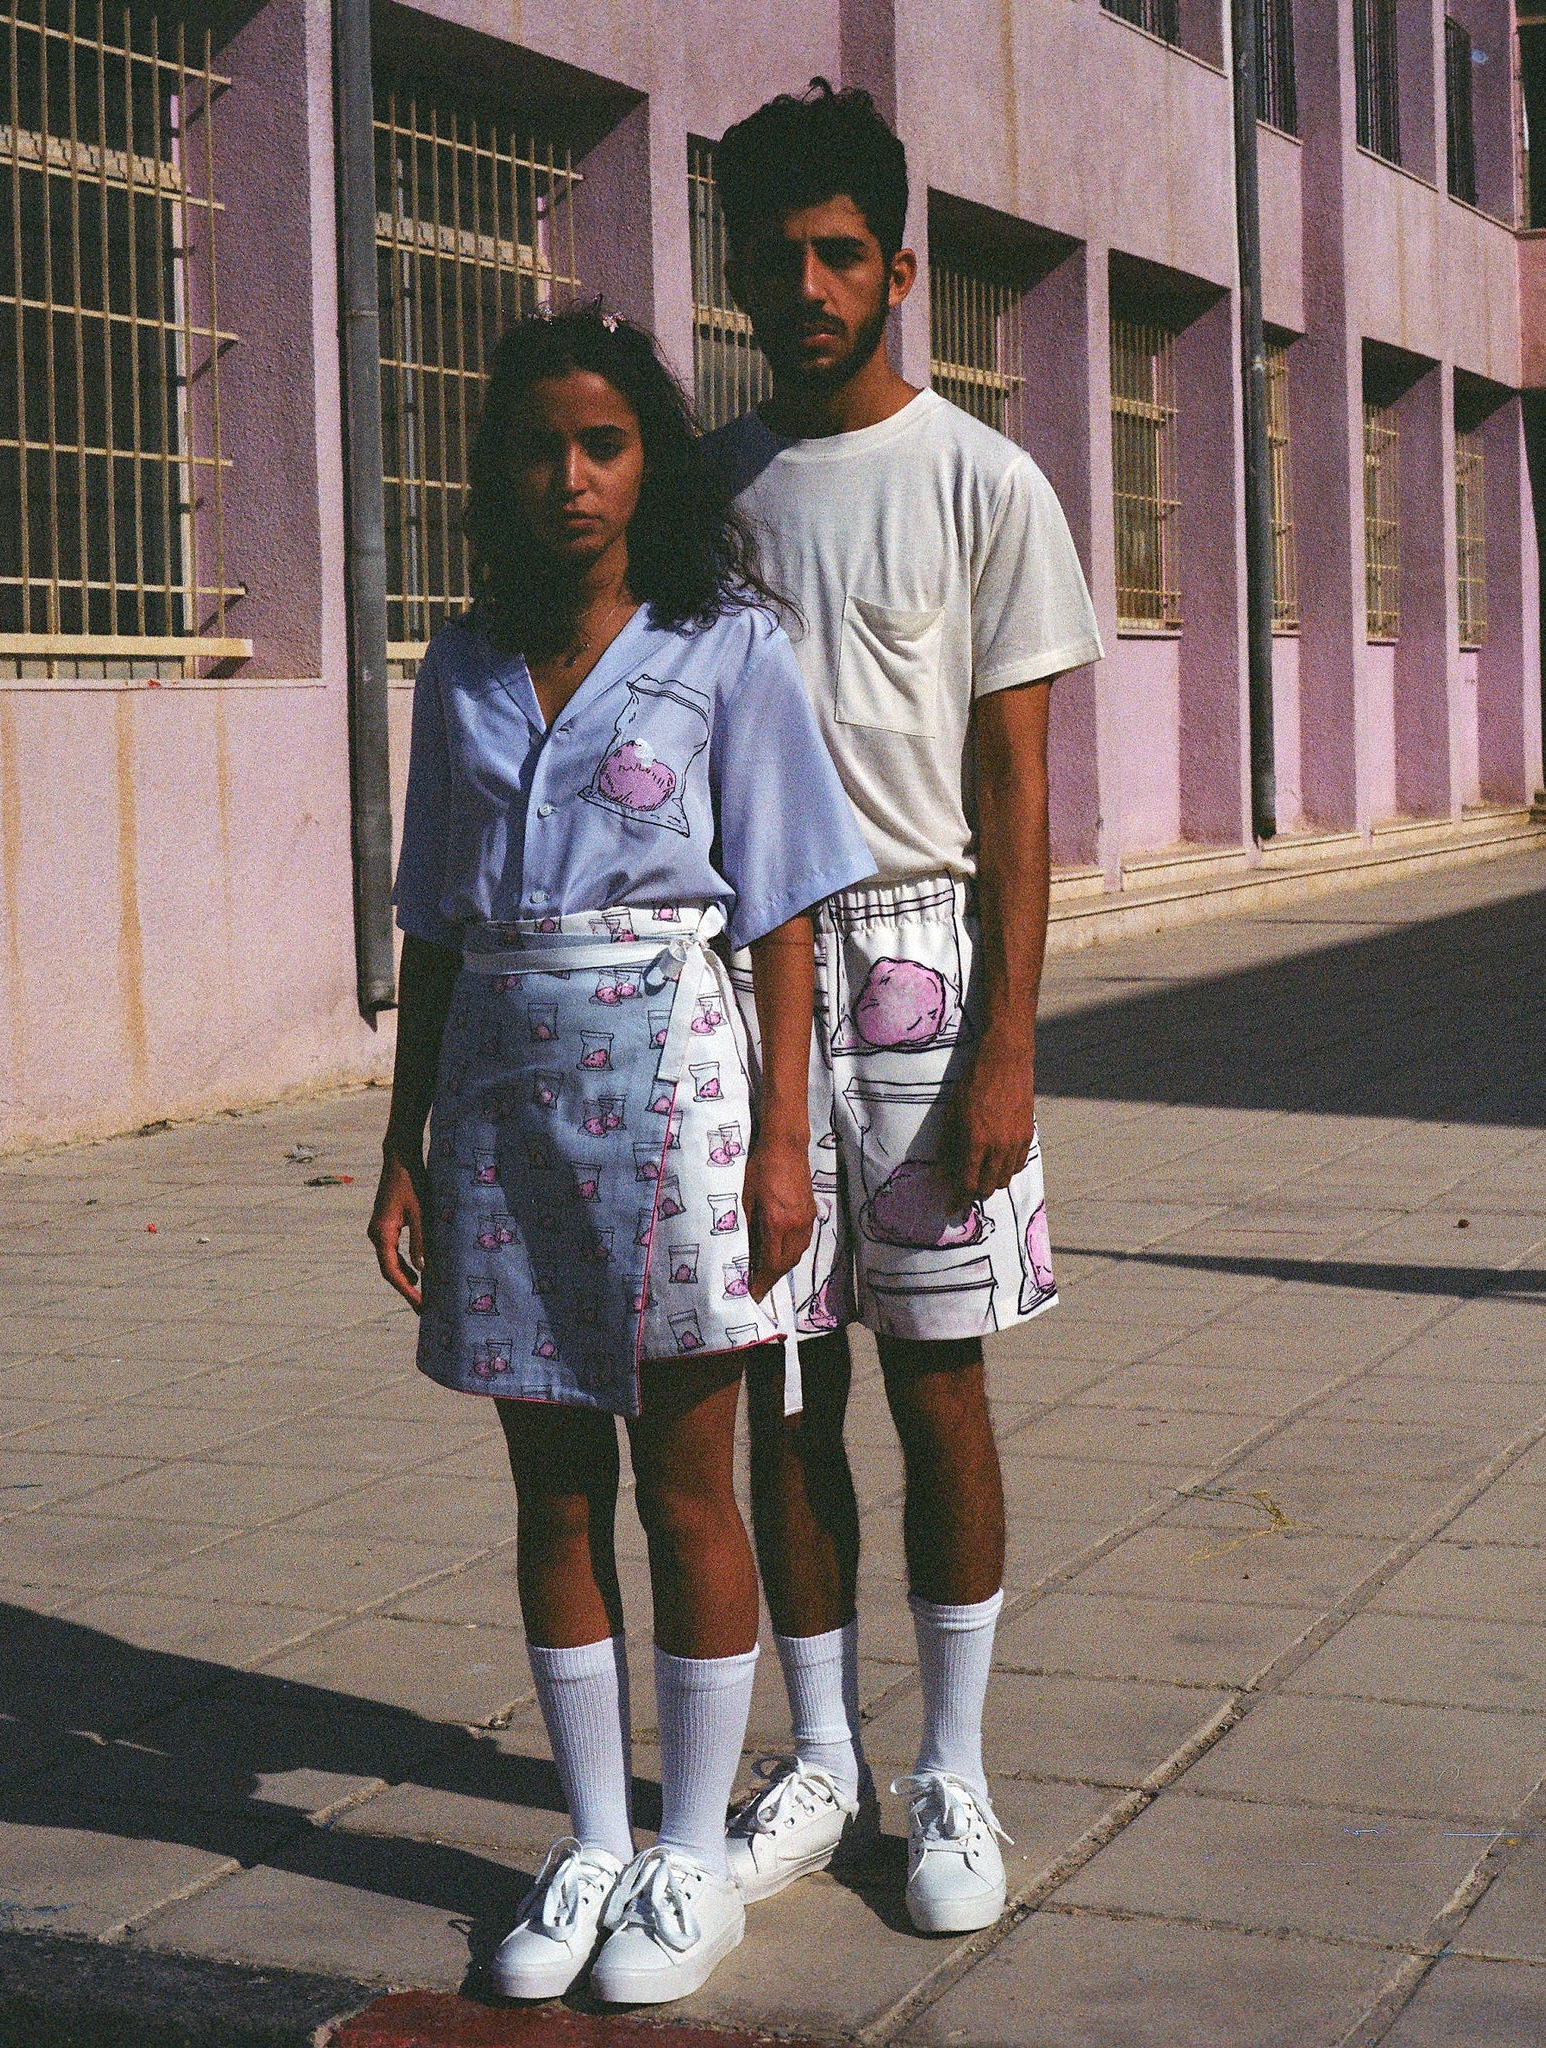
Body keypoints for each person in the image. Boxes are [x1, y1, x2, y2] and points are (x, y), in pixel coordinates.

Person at [366, 304, 874, 2005]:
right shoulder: (454, 670)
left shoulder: (723, 648)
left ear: (648, 462)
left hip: (680, 1082)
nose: (568, 478)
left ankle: (684, 1856)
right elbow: (436, 922)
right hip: (502, 1095)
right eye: (535, 446)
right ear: (496, 471)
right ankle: (588, 1837)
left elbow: (792, 906)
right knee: (547, 1483)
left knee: (683, 1475)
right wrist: (406, 1141)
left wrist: (786, 1146)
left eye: (602, 445)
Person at [707, 84, 1104, 1935]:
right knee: (784, 1392)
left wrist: (1007, 1038)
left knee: (934, 1380)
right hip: (741, 980)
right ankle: (820, 1754)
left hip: (925, 969)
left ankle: (949, 1771)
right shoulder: (707, 486)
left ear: (898, 270)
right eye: (773, 254)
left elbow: (1015, 788)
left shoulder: (982, 481)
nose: (804, 283)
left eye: (837, 252)